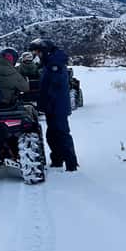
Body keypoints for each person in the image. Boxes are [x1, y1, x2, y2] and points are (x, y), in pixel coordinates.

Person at [30, 38, 78, 172]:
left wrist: (43, 98)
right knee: (52, 135)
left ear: (45, 51)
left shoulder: (54, 65)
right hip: (52, 105)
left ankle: (71, 164)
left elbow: (53, 87)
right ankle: (57, 160)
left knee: (61, 133)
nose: (37, 55)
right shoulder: (49, 63)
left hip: (57, 105)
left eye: (38, 52)